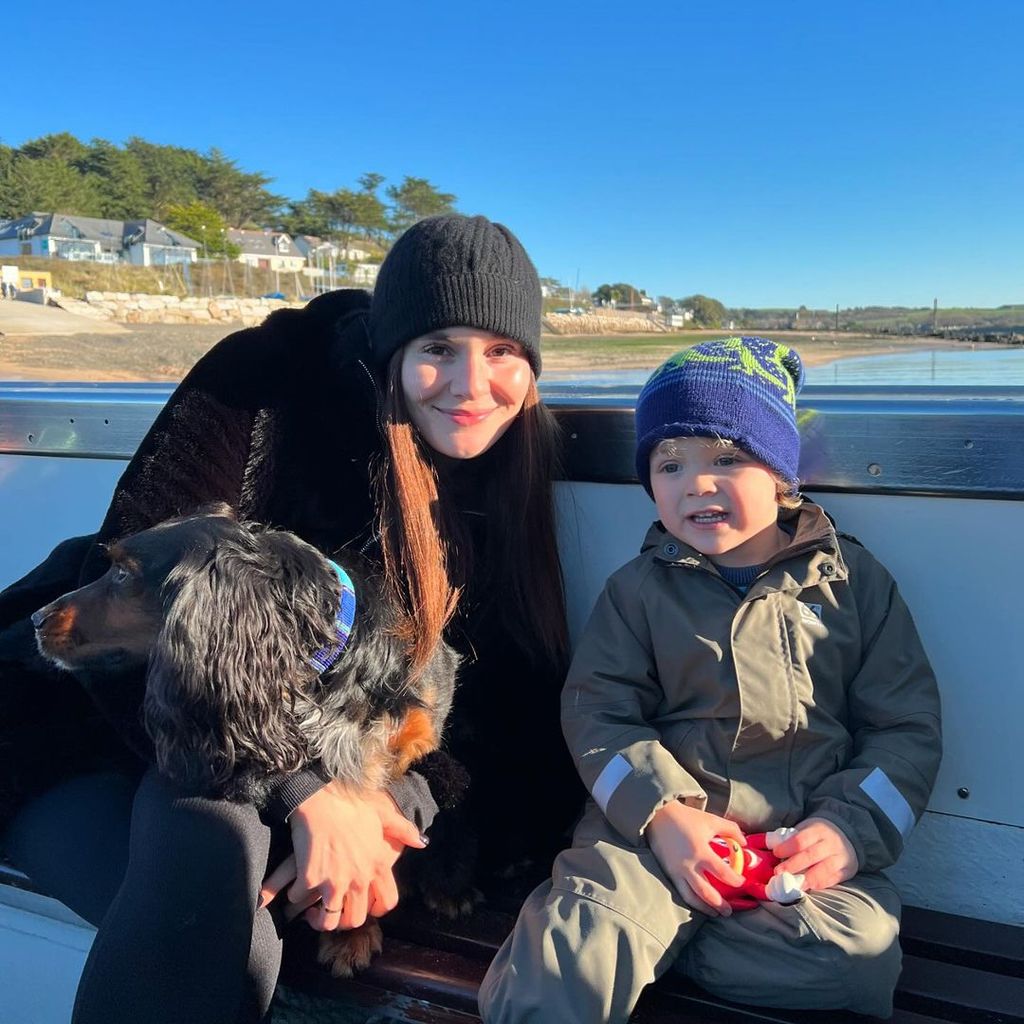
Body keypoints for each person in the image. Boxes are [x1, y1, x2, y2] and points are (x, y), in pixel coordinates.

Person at [0, 214, 581, 1023]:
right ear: (393, 350)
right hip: (91, 733)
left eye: (502, 352)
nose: (472, 383)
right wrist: (314, 791)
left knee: (307, 914)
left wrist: (394, 806)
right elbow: (132, 610)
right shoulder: (264, 385)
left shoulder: (501, 471)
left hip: (285, 754)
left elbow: (492, 709)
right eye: (440, 347)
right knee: (216, 853)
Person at [479, 337, 942, 1022]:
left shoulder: (854, 586)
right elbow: (598, 715)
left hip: (790, 850)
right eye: (670, 464)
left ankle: (665, 942)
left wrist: (846, 831)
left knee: (858, 963)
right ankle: (637, 933)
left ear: (782, 473)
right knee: (562, 961)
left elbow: (905, 731)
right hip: (648, 842)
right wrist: (663, 818)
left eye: (727, 457)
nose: (696, 482)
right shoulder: (636, 592)